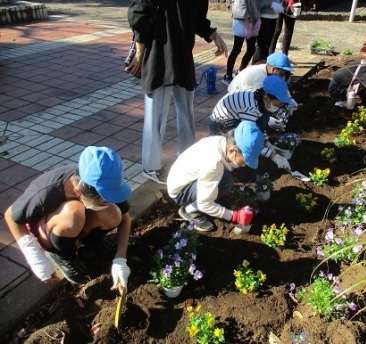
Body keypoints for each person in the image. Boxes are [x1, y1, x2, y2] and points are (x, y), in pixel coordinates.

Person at [126, 0, 228, 184]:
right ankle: (150, 166)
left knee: (186, 113)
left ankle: (188, 159)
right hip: (158, 53)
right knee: (155, 116)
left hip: (182, 56)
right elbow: (138, 12)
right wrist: (139, 51)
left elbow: (197, 18)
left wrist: (213, 34)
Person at [4, 146, 132, 287]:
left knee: (113, 213)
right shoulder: (45, 191)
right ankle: (63, 255)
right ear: (78, 192)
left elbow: (125, 219)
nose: (108, 202)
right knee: (74, 212)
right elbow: (11, 216)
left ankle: (91, 244)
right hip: (50, 227)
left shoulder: (108, 182)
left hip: (78, 221)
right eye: (102, 201)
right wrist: (33, 255)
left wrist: (121, 259)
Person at [167, 121, 265, 232]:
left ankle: (210, 196)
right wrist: (234, 216)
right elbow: (204, 204)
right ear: (233, 150)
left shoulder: (222, 142)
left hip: (185, 176)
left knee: (225, 179)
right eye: (243, 162)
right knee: (226, 182)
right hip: (181, 191)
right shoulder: (214, 163)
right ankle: (188, 210)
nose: (244, 165)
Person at [210, 75, 292, 170]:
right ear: (267, 97)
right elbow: (248, 140)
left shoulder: (258, 97)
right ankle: (232, 162)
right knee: (244, 144)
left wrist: (267, 143)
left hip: (235, 116)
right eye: (277, 104)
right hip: (221, 125)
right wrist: (273, 156)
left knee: (264, 116)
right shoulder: (251, 109)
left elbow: (255, 130)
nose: (277, 107)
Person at [228, 52, 298, 130]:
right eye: (282, 72)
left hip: (249, 96)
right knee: (262, 120)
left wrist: (290, 100)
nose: (283, 75)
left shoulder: (270, 73)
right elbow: (258, 102)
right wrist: (269, 120)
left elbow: (279, 86)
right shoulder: (260, 77)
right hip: (238, 100)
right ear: (274, 69)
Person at [222, 0, 260, 86]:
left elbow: (257, 3)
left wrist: (258, 18)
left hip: (252, 20)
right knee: (237, 49)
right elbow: (241, 5)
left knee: (251, 49)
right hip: (241, 21)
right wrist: (247, 26)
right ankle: (228, 76)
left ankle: (240, 71)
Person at [252, 0, 284, 64]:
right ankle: (255, 67)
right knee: (261, 46)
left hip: (274, 17)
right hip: (263, 17)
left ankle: (263, 67)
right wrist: (271, 4)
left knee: (267, 46)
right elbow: (257, 3)